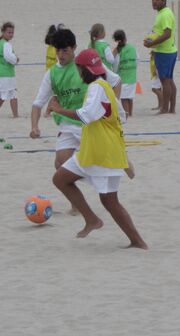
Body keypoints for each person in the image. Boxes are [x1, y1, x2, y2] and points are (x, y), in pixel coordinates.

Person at [49, 49, 147, 249]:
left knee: (62, 180)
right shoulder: (106, 88)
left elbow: (86, 115)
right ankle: (136, 241)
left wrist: (59, 110)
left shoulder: (95, 88)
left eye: (79, 69)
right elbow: (122, 117)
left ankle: (94, 220)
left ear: (83, 69)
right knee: (109, 201)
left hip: (98, 153)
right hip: (102, 150)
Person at [30, 29, 122, 213]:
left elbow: (116, 81)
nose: (60, 55)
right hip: (67, 125)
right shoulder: (52, 74)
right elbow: (37, 103)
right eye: (57, 51)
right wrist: (34, 127)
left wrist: (112, 110)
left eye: (65, 50)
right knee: (60, 163)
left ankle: (117, 170)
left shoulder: (86, 65)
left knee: (98, 166)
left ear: (74, 48)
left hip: (90, 125)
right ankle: (76, 204)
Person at [143, 0, 177, 114]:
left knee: (165, 81)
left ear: (164, 1)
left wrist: (152, 43)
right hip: (167, 51)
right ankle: (171, 109)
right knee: (169, 80)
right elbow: (160, 32)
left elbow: (167, 33)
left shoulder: (164, 14)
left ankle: (165, 108)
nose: (154, 1)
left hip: (165, 52)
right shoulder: (163, 13)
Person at [0, 21, 19, 117]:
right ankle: (15, 115)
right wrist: (16, 59)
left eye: (12, 32)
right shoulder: (6, 44)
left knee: (0, 95)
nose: (11, 34)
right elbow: (9, 57)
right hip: (6, 74)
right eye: (9, 32)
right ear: (3, 32)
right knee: (13, 94)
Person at [112, 29, 138, 117]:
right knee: (130, 97)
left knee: (124, 98)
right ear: (125, 38)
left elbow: (114, 65)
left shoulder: (117, 51)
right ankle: (130, 113)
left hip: (123, 78)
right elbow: (137, 60)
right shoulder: (132, 48)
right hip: (133, 76)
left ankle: (126, 114)